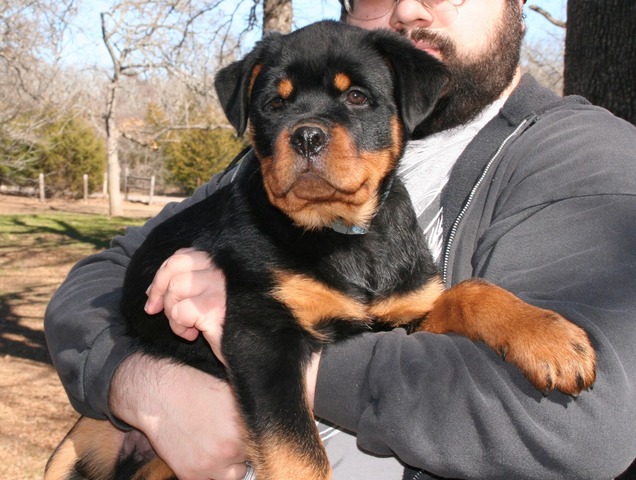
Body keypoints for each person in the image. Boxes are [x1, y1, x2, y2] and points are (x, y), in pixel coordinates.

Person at [45, 0, 636, 478]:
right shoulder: (248, 179)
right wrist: (141, 385)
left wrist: (272, 359)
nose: (407, 8)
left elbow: (584, 424)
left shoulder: (580, 156)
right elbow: (91, 286)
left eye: (355, 99)